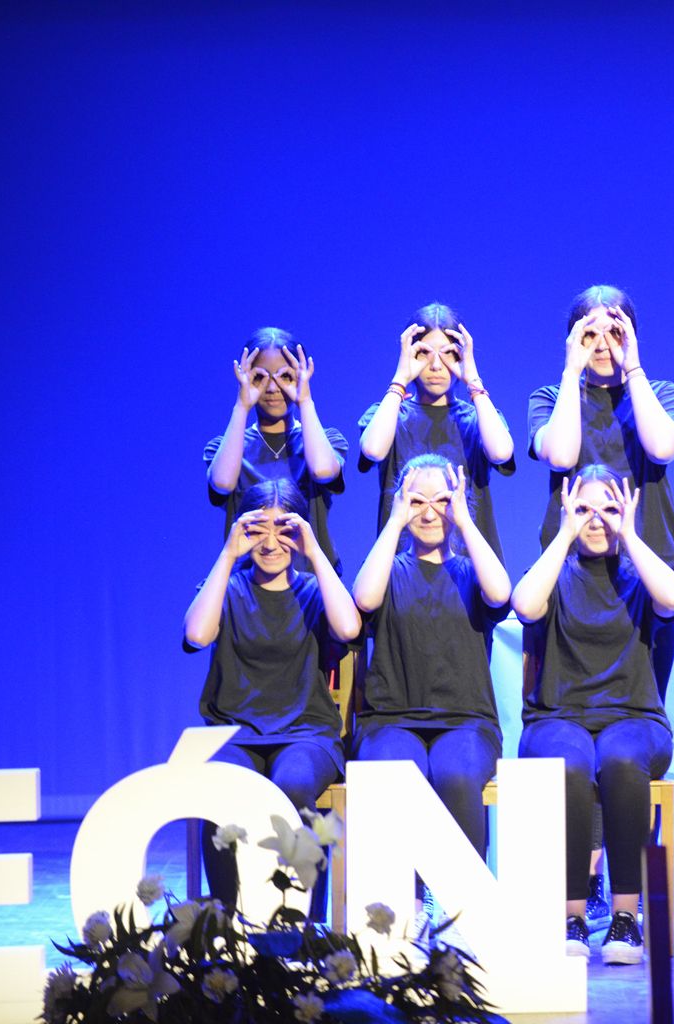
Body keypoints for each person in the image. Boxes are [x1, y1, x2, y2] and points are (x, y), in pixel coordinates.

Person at [527, 285, 674, 926]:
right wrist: (572, 373)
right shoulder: (551, 395)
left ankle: (618, 889)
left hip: (644, 572)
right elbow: (563, 455)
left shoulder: (658, 390)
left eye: (614, 332)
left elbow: (664, 446)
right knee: (570, 726)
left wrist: (633, 369)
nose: (602, 345)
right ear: (570, 341)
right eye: (589, 334)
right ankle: (582, 882)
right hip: (566, 573)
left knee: (627, 735)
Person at [511, 465, 674, 965]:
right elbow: (524, 604)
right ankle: (574, 914)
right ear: (567, 511)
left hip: (634, 717)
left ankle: (626, 916)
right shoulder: (555, 572)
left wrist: (629, 535)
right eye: (584, 508)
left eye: (610, 508)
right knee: (570, 765)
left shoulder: (639, 575)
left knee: (623, 760)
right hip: (557, 717)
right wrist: (563, 535)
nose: (597, 519)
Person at [183, 479, 362, 906]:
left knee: (294, 783)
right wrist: (228, 556)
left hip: (304, 732)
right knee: (220, 784)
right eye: (258, 529)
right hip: (235, 732)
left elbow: (350, 629)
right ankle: (229, 914)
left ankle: (300, 918)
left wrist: (315, 553)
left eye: (283, 529)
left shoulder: (313, 590)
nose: (269, 542)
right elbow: (196, 633)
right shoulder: (229, 586)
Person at [350, 454, 512, 858]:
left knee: (457, 776)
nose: (428, 513)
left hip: (466, 722)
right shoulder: (389, 570)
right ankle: (406, 909)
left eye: (440, 500)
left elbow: (500, 594)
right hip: (390, 720)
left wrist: (465, 522)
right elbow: (364, 599)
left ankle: (461, 911)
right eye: (415, 502)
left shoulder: (470, 571)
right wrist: (394, 522)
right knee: (394, 775)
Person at [359, 303, 516, 561]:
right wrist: (399, 380)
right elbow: (373, 449)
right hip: (402, 567)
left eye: (448, 354)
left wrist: (473, 381)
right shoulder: (390, 413)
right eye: (424, 353)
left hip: (471, 566)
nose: (435, 366)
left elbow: (501, 452)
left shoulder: (477, 417)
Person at [204, 328, 349, 569]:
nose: (272, 388)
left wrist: (305, 400)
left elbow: (323, 471)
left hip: (312, 585)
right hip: (247, 589)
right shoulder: (224, 447)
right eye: (260, 378)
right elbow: (222, 483)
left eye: (285, 377)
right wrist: (242, 405)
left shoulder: (327, 440)